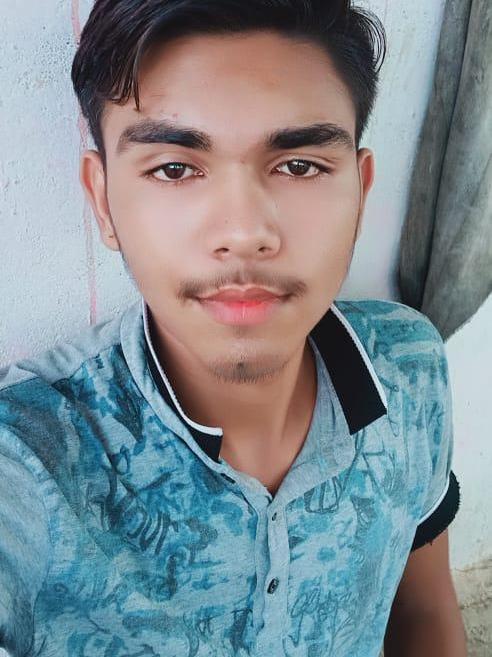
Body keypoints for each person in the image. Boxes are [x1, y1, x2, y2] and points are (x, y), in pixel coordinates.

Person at [0, 1, 467, 655]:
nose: (245, 231)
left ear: (360, 194)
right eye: (174, 168)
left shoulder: (410, 365)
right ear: (103, 201)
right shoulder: (28, 454)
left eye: (299, 165)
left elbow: (423, 609)